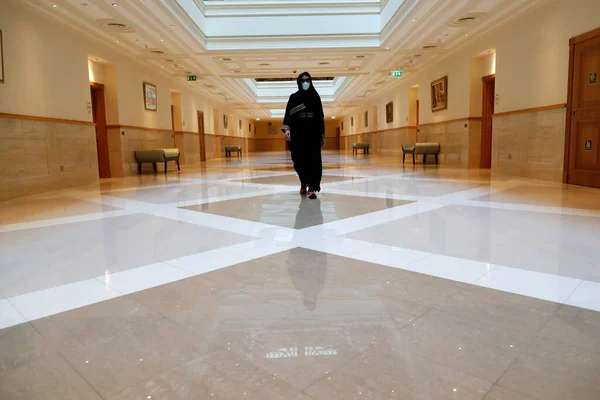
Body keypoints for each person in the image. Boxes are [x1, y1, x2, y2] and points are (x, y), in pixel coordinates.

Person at [282, 72, 325, 199]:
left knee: (313, 160)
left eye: (308, 80)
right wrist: (287, 129)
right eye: (303, 80)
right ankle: (303, 182)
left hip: (312, 131)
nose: (305, 83)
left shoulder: (315, 97)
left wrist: (322, 133)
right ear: (299, 82)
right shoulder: (293, 97)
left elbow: (320, 116)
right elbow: (288, 114)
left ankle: (312, 187)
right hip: (298, 132)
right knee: (299, 160)